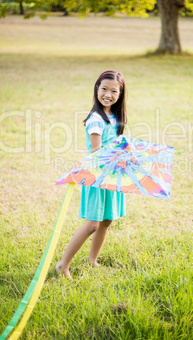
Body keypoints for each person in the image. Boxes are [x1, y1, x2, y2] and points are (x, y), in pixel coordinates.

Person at [56, 71, 127, 278]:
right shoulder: (96, 119)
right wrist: (116, 157)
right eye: (104, 89)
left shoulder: (115, 117)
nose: (108, 94)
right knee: (92, 224)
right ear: (96, 89)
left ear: (120, 94)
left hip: (112, 175)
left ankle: (92, 260)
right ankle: (63, 264)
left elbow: (114, 144)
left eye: (114, 91)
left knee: (106, 221)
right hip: (97, 176)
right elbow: (96, 153)